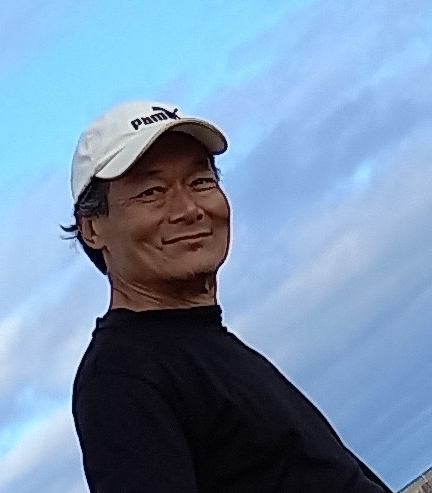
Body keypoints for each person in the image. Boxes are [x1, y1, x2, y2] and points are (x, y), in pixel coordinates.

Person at [65, 100, 393, 492]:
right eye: (152, 192)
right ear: (92, 229)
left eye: (201, 181)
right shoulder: (120, 381)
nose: (188, 209)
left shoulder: (206, 344)